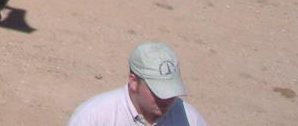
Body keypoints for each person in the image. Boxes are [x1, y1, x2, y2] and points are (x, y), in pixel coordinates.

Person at [68, 41, 208, 126]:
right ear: (133, 81)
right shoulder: (94, 117)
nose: (167, 99)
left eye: (171, 90)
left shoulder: (190, 119)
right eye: (158, 91)